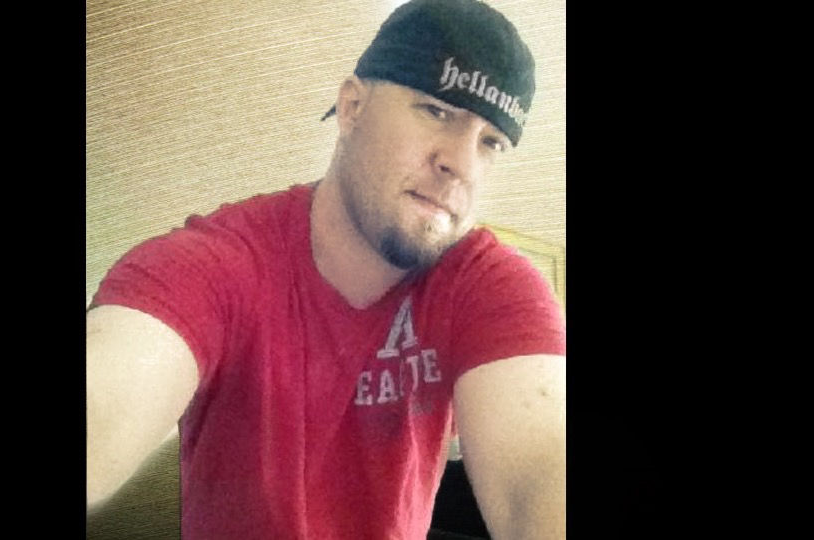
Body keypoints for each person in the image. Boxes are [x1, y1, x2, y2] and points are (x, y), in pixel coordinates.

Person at [86, 0, 565, 538]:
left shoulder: (487, 286)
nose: (462, 164)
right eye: (436, 111)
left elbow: (538, 472)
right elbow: (111, 386)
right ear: (352, 107)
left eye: (492, 141)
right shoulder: (224, 262)